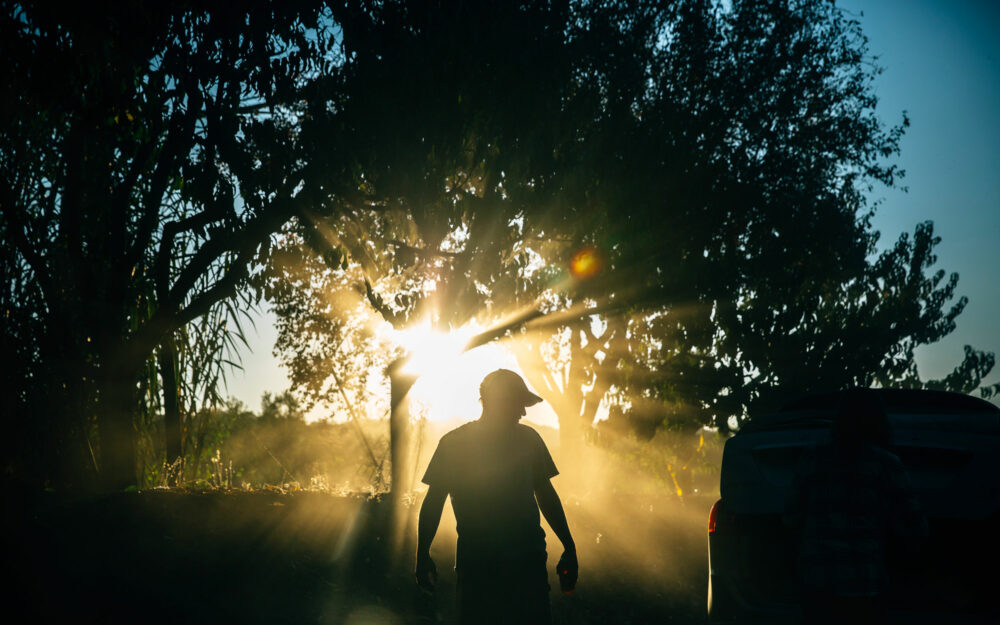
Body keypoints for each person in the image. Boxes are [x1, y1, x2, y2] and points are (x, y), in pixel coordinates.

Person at [415, 368, 577, 625]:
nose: (523, 412)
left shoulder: (527, 440)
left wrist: (569, 546)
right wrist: (421, 553)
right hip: (489, 567)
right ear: (496, 401)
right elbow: (434, 501)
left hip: (518, 564)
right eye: (517, 404)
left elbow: (546, 494)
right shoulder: (455, 444)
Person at [784, 388, 928, 625]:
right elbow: (917, 529)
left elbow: (790, 517)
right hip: (866, 586)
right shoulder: (887, 464)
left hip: (817, 584)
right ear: (879, 420)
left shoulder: (813, 457)